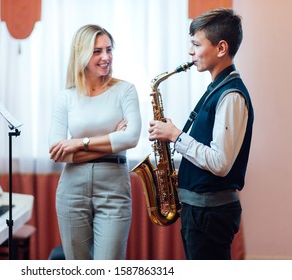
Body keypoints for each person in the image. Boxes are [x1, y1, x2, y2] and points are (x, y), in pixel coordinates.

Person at [148, 8, 254, 260]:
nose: (190, 51)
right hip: (201, 210)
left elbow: (220, 163)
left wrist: (176, 136)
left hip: (211, 213)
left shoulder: (231, 95)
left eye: (196, 44)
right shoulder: (218, 88)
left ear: (221, 48)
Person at [48, 24, 141, 260]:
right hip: (72, 190)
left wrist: (79, 143)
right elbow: (58, 152)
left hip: (114, 189)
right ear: (81, 54)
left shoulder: (125, 91)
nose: (106, 57)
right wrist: (112, 139)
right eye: (97, 51)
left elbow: (131, 137)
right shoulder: (66, 97)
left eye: (109, 50)